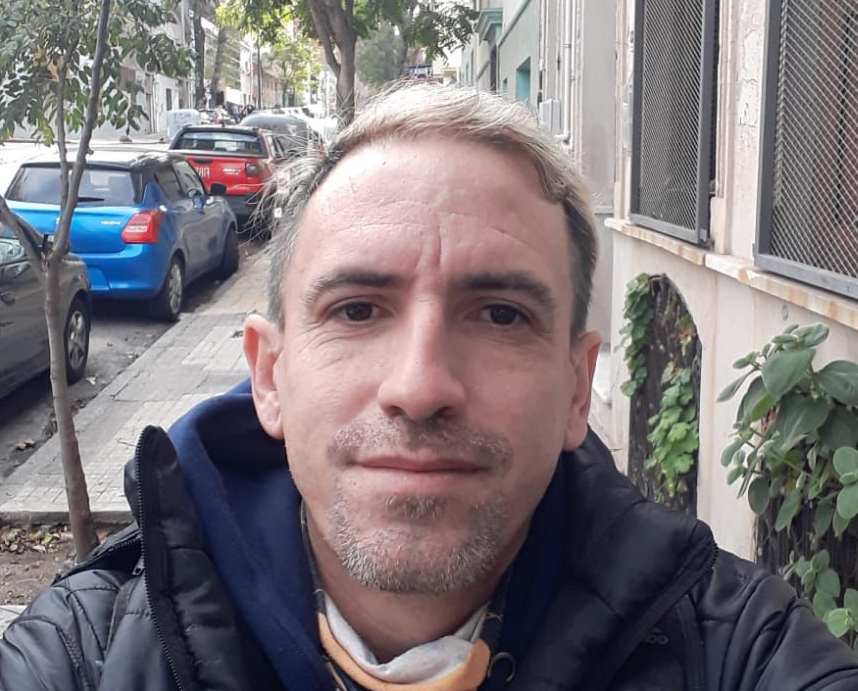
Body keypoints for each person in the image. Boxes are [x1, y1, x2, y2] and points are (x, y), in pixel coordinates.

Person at [1, 83, 856, 691]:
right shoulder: (86, 654)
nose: (419, 387)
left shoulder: (738, 649)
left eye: (500, 315)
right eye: (357, 308)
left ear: (576, 387)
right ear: (269, 374)